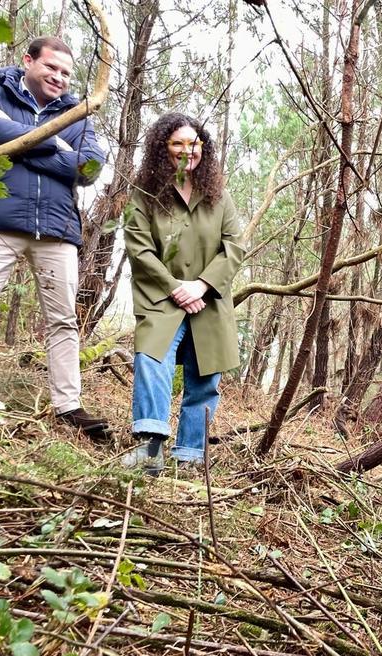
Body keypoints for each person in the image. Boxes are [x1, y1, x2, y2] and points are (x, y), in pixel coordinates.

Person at [0, 36, 108, 438]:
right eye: (51, 67)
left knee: (63, 322)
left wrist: (19, 144)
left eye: (66, 73)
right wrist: (51, 143)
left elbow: (89, 167)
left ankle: (68, 407)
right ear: (28, 61)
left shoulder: (77, 113)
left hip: (56, 230)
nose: (58, 77)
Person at [122, 113, 244, 474]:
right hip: (161, 298)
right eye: (177, 143)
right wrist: (176, 288)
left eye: (193, 143)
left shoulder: (219, 196)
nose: (186, 150)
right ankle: (150, 446)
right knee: (151, 359)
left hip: (209, 300)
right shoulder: (143, 195)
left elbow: (235, 246)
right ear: (163, 148)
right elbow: (139, 250)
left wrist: (202, 285)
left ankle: (190, 455)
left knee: (205, 378)